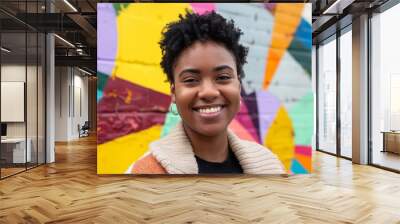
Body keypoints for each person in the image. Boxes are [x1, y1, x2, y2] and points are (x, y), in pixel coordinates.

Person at [127, 11, 285, 175]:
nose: (208, 92)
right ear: (174, 93)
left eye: (223, 77)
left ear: (238, 87)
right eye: (190, 80)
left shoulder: (271, 166)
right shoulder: (143, 173)